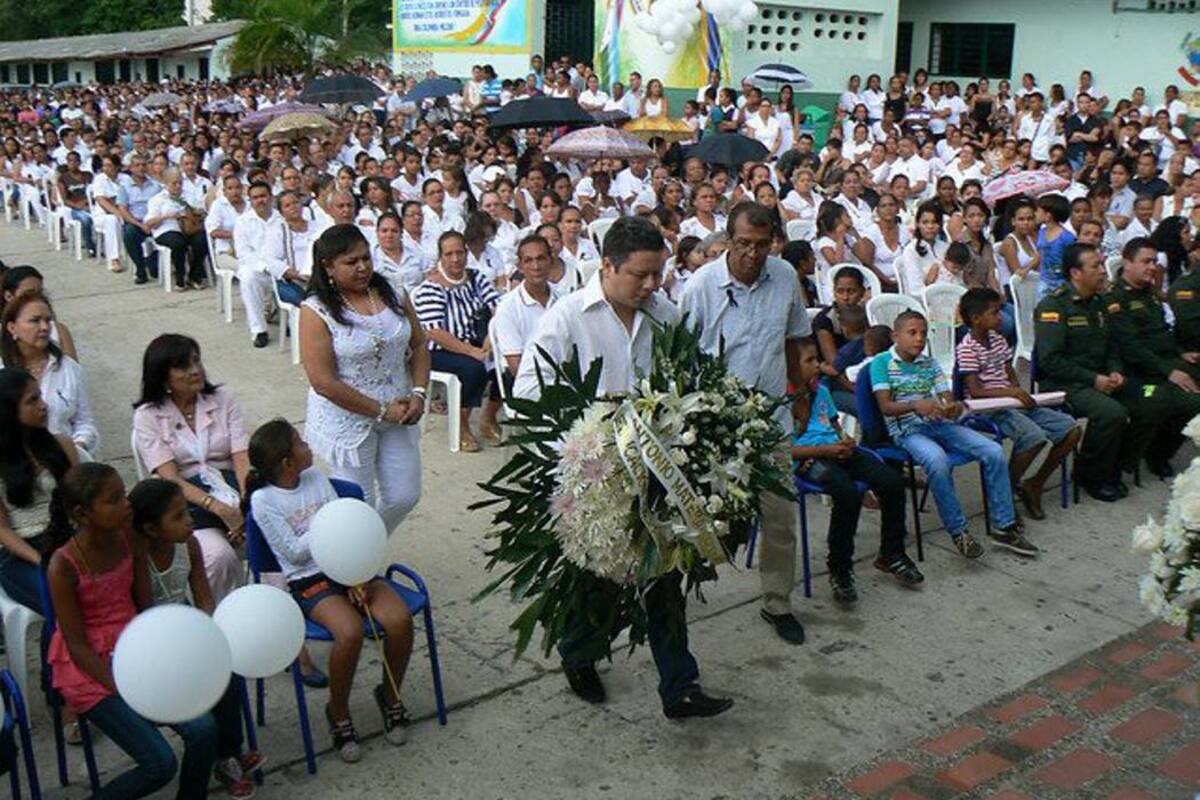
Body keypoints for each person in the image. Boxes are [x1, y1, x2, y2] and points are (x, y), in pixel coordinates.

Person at [514, 215, 730, 719]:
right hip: (598, 481)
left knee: (665, 579)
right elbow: (527, 395)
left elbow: (688, 376)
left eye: (659, 274)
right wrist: (587, 441)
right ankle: (579, 653)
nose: (652, 285)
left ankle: (680, 686)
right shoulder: (567, 318)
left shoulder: (665, 315)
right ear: (607, 266)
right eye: (641, 275)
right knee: (602, 582)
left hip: (659, 475)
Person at [45, 462, 219, 799]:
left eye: (124, 494)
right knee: (159, 764)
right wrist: (126, 688)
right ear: (82, 514)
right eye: (114, 500)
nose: (126, 504)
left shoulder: (130, 542)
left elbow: (145, 609)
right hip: (91, 670)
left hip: (136, 648)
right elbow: (77, 645)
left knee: (203, 729)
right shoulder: (63, 565)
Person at [245, 419, 414, 763]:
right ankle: (338, 713)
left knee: (399, 620)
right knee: (349, 633)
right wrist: (327, 531)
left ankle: (390, 694)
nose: (306, 443)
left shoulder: (317, 478)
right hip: (310, 580)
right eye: (298, 442)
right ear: (286, 462)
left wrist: (357, 575)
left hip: (352, 566)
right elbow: (292, 552)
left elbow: (347, 530)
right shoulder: (264, 501)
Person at [680, 203, 810, 644]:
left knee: (779, 518)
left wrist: (801, 393)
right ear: (727, 241)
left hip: (771, 418)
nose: (752, 254)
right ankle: (678, 594)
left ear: (773, 240)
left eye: (761, 244)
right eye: (743, 244)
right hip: (715, 425)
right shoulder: (700, 287)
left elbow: (794, 338)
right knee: (701, 515)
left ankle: (777, 602)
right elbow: (681, 358)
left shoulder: (786, 277)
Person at [128, 478, 263, 799]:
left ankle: (228, 754)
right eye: (177, 516)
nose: (189, 520)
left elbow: (203, 595)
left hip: (185, 619)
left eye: (186, 511)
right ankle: (218, 752)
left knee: (224, 666)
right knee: (198, 682)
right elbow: (146, 615)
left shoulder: (188, 544)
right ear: (150, 529)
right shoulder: (138, 557)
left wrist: (210, 636)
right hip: (153, 637)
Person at [300, 224, 428, 532]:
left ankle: (364, 549)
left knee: (405, 494)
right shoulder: (316, 310)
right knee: (358, 504)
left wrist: (420, 393)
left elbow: (419, 343)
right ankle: (355, 568)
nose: (362, 267)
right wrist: (381, 410)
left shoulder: (392, 292)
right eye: (351, 262)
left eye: (366, 258)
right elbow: (323, 381)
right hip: (347, 418)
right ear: (328, 266)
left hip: (400, 410)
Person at [870, 310, 1027, 557]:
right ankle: (958, 531)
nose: (919, 339)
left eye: (923, 333)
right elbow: (885, 407)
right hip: (908, 430)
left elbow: (946, 397)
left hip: (939, 424)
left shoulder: (929, 363)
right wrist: (915, 405)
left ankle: (1004, 525)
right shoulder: (881, 363)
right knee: (937, 460)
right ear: (895, 336)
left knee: (994, 450)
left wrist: (950, 407)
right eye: (912, 333)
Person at [791, 338, 922, 602]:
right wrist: (825, 451)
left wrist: (845, 440)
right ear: (790, 367)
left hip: (837, 451)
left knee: (892, 482)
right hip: (807, 460)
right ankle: (839, 569)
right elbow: (784, 452)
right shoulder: (780, 401)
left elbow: (834, 427)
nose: (818, 365)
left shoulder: (822, 392)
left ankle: (891, 553)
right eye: (809, 361)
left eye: (817, 359)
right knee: (846, 492)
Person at [1034, 243, 1161, 502]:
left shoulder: (1100, 303)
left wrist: (1116, 371)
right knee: (1112, 413)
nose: (1103, 271)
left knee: (1151, 398)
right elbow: (1050, 361)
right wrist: (1094, 379)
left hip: (1101, 379)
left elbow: (1112, 345)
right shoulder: (1054, 306)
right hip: (1065, 385)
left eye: (1103, 264)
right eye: (1096, 266)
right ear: (1075, 273)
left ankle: (1114, 466)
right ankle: (1090, 475)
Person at [132, 334, 247, 604]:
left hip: (232, 488)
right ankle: (222, 620)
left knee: (271, 533)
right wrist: (218, 508)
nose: (195, 370)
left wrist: (245, 499)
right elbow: (169, 478)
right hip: (187, 503)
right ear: (163, 377)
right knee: (219, 558)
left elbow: (241, 455)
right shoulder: (148, 416)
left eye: (196, 361)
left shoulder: (223, 399)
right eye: (183, 366)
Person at [957, 288, 1082, 521]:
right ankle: (1003, 490)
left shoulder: (998, 339)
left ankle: (1034, 484)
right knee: (1034, 437)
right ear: (976, 319)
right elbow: (975, 392)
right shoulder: (967, 348)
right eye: (995, 313)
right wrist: (1012, 392)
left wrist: (1018, 392)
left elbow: (1010, 372)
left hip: (1011, 402)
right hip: (988, 409)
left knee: (1071, 429)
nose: (1001, 317)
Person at [1103, 237, 1200, 478]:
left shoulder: (1150, 295)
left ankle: (1159, 451)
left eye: (1155, 261)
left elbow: (1164, 333)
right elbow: (1130, 347)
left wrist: (1180, 353)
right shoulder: (1116, 299)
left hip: (1163, 361)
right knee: (1181, 401)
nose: (1153, 266)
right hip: (1138, 372)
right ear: (1127, 263)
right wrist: (1169, 371)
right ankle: (1132, 458)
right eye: (1146, 261)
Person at [413, 231, 502, 451]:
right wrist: (473, 352)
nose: (455, 259)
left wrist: (490, 341)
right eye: (449, 254)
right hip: (440, 350)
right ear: (440, 257)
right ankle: (462, 425)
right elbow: (436, 333)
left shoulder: (476, 278)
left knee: (507, 363)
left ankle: (488, 416)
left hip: (478, 342)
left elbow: (499, 309)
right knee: (474, 369)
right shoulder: (430, 288)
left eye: (460, 252)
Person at [0, 368, 80, 614]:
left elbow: (81, 497)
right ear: (9, 411)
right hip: (22, 553)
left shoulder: (61, 445)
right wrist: (42, 561)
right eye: (32, 401)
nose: (43, 406)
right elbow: (2, 531)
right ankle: (57, 654)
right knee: (62, 599)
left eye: (40, 397)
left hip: (67, 537)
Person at [1, 291, 98, 458]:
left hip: (68, 460)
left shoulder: (70, 369)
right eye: (35, 321)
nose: (45, 327)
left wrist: (75, 448)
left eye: (48, 320)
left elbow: (85, 423)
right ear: (12, 328)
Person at [491, 235, 555, 383]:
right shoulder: (508, 306)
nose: (536, 266)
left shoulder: (563, 300)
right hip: (525, 381)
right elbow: (516, 367)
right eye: (528, 260)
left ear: (550, 260)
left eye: (541, 258)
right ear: (519, 266)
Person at [233, 181, 283, 348]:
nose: (260, 201)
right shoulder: (243, 222)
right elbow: (243, 254)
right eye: (255, 198)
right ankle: (259, 330)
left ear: (271, 197)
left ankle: (291, 322)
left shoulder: (282, 219)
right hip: (259, 271)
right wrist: (265, 266)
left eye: (263, 196)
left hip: (283, 270)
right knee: (247, 277)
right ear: (250, 201)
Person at [144, 168, 209, 291]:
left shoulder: (189, 196)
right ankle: (180, 278)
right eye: (174, 183)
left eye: (180, 182)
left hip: (188, 228)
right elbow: (149, 223)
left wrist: (194, 211)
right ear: (166, 183)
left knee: (202, 241)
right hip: (167, 230)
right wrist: (167, 216)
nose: (178, 186)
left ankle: (194, 276)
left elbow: (201, 211)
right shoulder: (158, 199)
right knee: (178, 243)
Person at [265, 190, 323, 306]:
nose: (293, 207)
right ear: (281, 212)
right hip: (292, 281)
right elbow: (272, 261)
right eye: (287, 205)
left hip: (319, 278)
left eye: (295, 203)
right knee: (310, 303)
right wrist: (297, 275)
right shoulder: (277, 231)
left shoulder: (317, 227)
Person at [1035, 194, 1076, 298]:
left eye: (1038, 210)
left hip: (1062, 282)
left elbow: (1072, 260)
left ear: (1048, 215)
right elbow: (1040, 255)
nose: (1035, 213)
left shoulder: (1067, 237)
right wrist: (1026, 269)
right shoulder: (1041, 233)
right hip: (1044, 281)